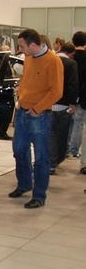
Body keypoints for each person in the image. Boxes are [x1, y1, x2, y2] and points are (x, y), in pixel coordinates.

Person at [10, 28, 63, 208]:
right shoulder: (29, 58)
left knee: (41, 157)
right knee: (19, 151)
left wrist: (37, 108)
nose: (20, 49)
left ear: (33, 44)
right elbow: (25, 79)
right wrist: (21, 94)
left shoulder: (53, 61)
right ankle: (24, 184)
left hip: (39, 115)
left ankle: (39, 195)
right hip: (23, 112)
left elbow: (56, 91)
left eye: (22, 46)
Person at [50, 42, 78, 174]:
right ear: (71, 54)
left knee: (48, 135)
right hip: (63, 105)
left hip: (47, 105)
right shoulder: (71, 64)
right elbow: (72, 85)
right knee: (61, 136)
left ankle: (49, 162)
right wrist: (72, 103)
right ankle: (56, 160)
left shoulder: (50, 60)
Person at [67, 31, 86, 164]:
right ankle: (73, 151)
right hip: (83, 95)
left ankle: (68, 149)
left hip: (70, 95)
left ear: (73, 41)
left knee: (70, 123)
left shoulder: (70, 58)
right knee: (79, 124)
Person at [0, 44, 15, 140]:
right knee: (5, 113)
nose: (10, 51)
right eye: (7, 50)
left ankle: (2, 131)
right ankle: (1, 132)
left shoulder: (7, 62)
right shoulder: (0, 63)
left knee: (8, 113)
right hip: (4, 92)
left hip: (8, 91)